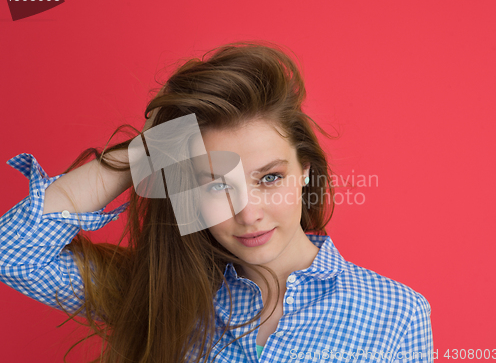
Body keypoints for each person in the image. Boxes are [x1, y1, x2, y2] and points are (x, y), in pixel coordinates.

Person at [0, 41, 433, 363]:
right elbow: (14, 255)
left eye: (269, 177)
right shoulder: (157, 294)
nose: (247, 213)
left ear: (306, 172)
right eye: (213, 185)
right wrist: (149, 150)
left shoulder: (397, 315)